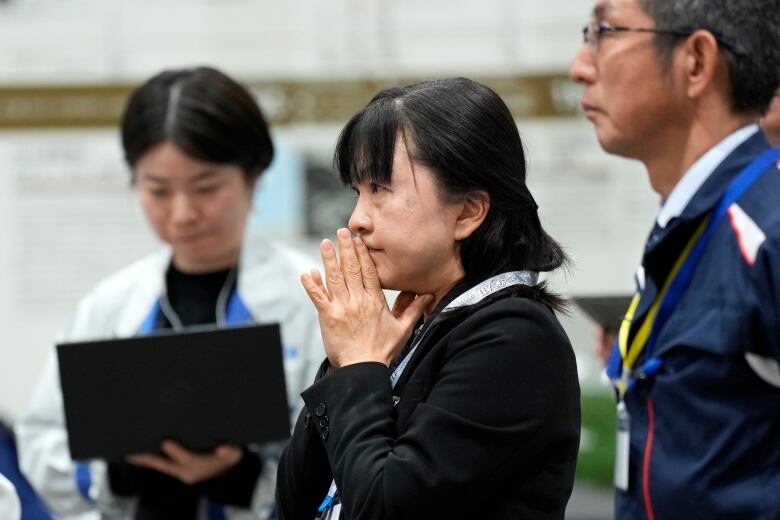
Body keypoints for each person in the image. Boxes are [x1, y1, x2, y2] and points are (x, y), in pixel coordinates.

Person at [15, 67, 324, 520]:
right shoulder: (111, 304)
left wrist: (245, 476)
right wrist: (118, 473)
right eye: (158, 190)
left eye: (206, 187)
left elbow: (350, 458)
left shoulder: (311, 297)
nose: (182, 214)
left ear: (255, 174)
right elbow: (42, 439)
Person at [275, 77, 581, 520]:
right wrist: (346, 361)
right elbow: (292, 503)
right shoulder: (420, 325)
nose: (357, 219)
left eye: (380, 189)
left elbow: (385, 508)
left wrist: (361, 366)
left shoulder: (514, 339)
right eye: (357, 193)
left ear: (468, 211)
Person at [570, 0, 780, 518]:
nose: (580, 64)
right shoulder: (690, 220)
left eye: (605, 30)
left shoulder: (766, 228)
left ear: (696, 63)